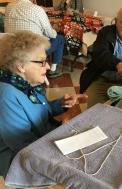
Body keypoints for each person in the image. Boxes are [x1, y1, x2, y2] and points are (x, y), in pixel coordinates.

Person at [0, 31, 87, 178]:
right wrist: (61, 135)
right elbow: (23, 146)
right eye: (41, 62)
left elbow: (37, 112)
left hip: (42, 143)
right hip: (18, 161)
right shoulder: (6, 95)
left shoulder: (26, 84)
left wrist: (61, 104)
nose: (47, 67)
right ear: (21, 66)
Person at [4, 0, 65, 78]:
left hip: (12, 50)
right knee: (59, 38)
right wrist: (55, 30)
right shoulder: (37, 9)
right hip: (32, 51)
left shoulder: (9, 7)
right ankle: (53, 70)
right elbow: (50, 33)